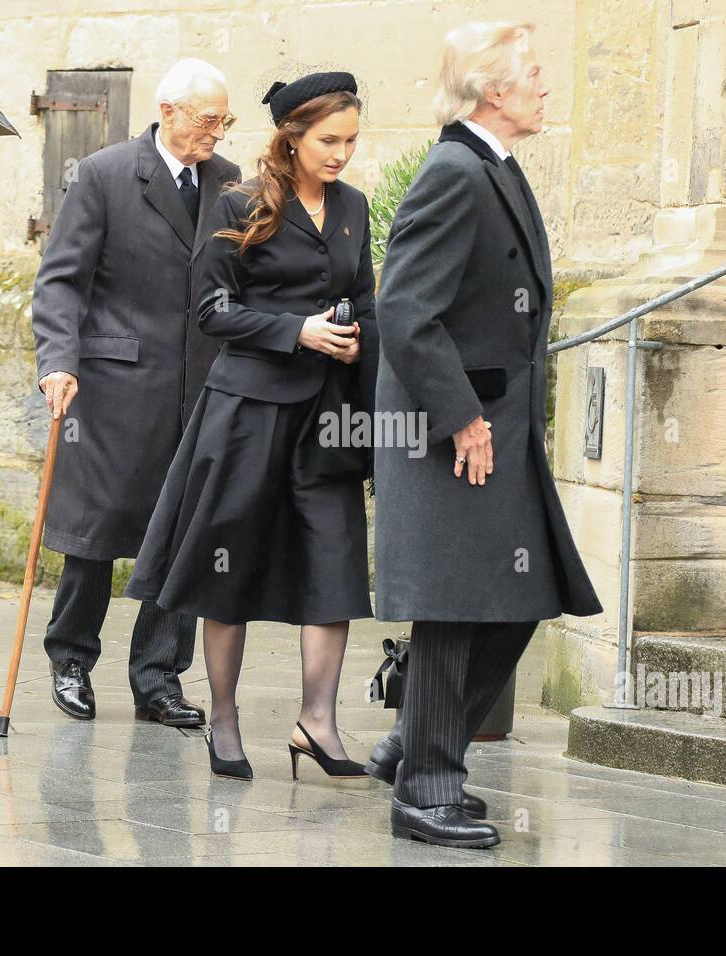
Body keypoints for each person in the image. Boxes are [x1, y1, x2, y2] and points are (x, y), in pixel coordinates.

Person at [370, 22, 603, 848]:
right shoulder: (453, 173)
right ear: (493, 92)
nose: (546, 87)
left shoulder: (491, 166)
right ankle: (425, 786)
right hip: (455, 433)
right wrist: (461, 417)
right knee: (455, 605)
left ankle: (415, 744)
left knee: (518, 598)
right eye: (533, 75)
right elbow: (403, 310)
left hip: (495, 428)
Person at [125, 72, 378, 782]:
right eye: (329, 140)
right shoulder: (241, 203)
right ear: (291, 137)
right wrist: (294, 330)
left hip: (326, 417)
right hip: (247, 413)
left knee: (335, 562)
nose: (342, 155)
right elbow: (210, 311)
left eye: (352, 141)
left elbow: (362, 294)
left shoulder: (354, 207)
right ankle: (226, 722)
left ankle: (317, 724)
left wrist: (357, 336)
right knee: (225, 564)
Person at [30, 59, 241, 726]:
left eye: (223, 121)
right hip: (114, 386)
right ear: (168, 110)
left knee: (181, 534)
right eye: (208, 119)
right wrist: (57, 361)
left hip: (201, 385)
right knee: (95, 533)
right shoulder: (104, 174)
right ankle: (70, 660)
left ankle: (158, 679)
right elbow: (61, 279)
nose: (216, 132)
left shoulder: (230, 181)